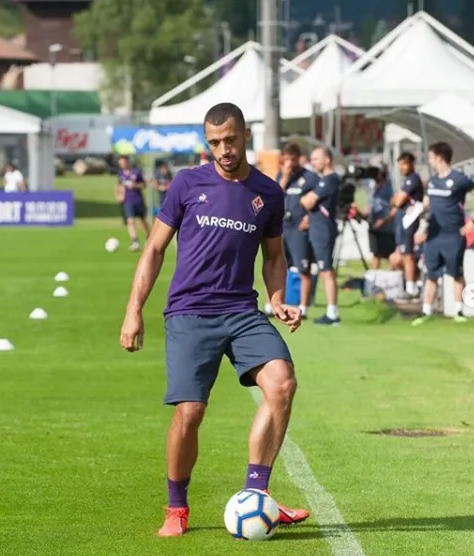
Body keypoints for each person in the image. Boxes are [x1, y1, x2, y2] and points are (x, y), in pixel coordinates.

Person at [119, 102, 309, 537]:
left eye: (230, 140)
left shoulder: (268, 193)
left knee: (282, 383)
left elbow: (275, 255)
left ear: (245, 136)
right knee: (190, 411)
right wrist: (134, 312)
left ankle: (256, 497)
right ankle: (176, 508)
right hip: (189, 312)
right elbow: (153, 249)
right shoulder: (187, 183)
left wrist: (278, 297)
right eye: (214, 142)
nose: (223, 149)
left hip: (242, 311)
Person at [412, 142, 473, 325]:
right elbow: (426, 203)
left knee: (456, 272)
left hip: (453, 234)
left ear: (439, 157)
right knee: (432, 273)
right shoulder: (432, 181)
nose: (429, 161)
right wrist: (417, 214)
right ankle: (426, 311)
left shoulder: (459, 179)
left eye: (430, 157)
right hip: (434, 235)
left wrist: (472, 222)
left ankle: (459, 311)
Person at [272, 143, 319, 319]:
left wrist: (309, 217)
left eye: (293, 159)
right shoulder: (281, 176)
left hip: (299, 227)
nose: (290, 163)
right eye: (287, 159)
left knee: (302, 267)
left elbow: (318, 201)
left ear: (298, 158)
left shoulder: (310, 178)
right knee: (279, 265)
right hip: (282, 226)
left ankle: (304, 306)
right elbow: (275, 195)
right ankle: (278, 304)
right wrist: (284, 176)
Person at [300, 147, 341, 325]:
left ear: (327, 160)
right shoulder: (322, 180)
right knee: (322, 270)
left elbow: (307, 202)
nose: (313, 162)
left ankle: (333, 313)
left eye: (316, 159)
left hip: (324, 229)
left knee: (326, 270)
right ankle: (330, 311)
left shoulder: (330, 179)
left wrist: (307, 198)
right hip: (316, 228)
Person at [392, 153, 424, 298]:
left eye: (404, 164)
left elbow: (398, 201)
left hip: (408, 221)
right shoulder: (405, 181)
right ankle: (415, 283)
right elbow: (395, 200)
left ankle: (411, 288)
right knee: (400, 256)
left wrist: (396, 199)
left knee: (407, 255)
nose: (401, 167)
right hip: (402, 220)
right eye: (400, 164)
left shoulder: (413, 180)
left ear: (411, 164)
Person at [360, 168, 397, 270]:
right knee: (376, 254)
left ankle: (392, 280)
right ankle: (374, 280)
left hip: (387, 228)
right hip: (374, 226)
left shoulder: (390, 187)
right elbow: (369, 205)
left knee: (391, 256)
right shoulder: (373, 188)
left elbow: (395, 209)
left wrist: (383, 220)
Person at [117, 155, 150, 251]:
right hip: (128, 201)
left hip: (138, 200)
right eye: (120, 163)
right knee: (130, 221)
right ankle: (135, 242)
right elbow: (119, 185)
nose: (122, 164)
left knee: (143, 221)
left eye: (123, 162)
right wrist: (120, 195)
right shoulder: (121, 174)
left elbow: (143, 185)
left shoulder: (136, 172)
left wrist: (135, 185)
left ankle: (149, 237)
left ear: (127, 162)